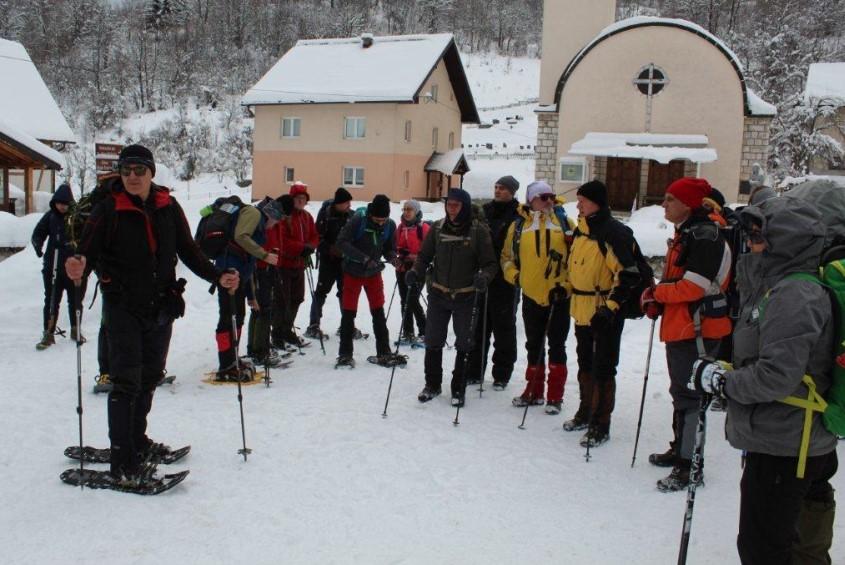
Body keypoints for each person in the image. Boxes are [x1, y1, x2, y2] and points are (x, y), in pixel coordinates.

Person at [65, 144, 239, 483]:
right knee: (126, 381)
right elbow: (85, 252)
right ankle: (123, 462)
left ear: (151, 173)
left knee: (150, 377)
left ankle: (137, 441)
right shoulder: (108, 209)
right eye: (126, 170)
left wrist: (217, 275)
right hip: (123, 308)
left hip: (161, 306)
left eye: (139, 170)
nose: (132, 176)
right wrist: (78, 267)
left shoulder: (168, 206)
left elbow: (188, 250)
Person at [691, 196, 838, 563]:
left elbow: (776, 376)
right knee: (792, 545)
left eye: (759, 236)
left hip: (786, 446)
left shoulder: (794, 294)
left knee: (764, 550)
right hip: (792, 438)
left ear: (785, 241)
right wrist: (728, 370)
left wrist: (724, 384)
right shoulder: (782, 288)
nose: (751, 244)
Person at [639, 177, 731, 492]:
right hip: (684, 325)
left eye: (669, 199)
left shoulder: (705, 236)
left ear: (688, 204)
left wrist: (656, 293)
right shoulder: (690, 232)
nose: (663, 204)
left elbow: (693, 287)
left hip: (698, 328)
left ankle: (689, 465)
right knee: (682, 392)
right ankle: (681, 450)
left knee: (691, 396)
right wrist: (660, 297)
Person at [563, 180, 643, 446]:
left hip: (604, 310)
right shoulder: (582, 230)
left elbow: (628, 275)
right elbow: (573, 265)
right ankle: (586, 411)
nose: (579, 204)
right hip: (582, 308)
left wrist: (610, 308)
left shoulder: (612, 232)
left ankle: (601, 423)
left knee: (604, 367)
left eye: (583, 200)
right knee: (585, 363)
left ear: (597, 202)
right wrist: (564, 287)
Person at [409, 188, 497, 406]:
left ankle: (458, 388)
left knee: (464, 343)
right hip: (438, 292)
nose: (452, 209)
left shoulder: (478, 231)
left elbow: (490, 263)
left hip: (466, 295)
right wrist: (416, 272)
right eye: (449, 204)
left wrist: (484, 277)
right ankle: (432, 384)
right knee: (433, 339)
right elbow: (424, 256)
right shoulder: (438, 228)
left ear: (465, 206)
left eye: (456, 205)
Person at [500, 181, 573, 415]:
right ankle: (533, 391)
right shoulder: (519, 226)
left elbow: (577, 258)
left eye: (551, 196)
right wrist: (516, 277)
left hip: (559, 296)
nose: (549, 200)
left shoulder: (565, 223)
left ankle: (555, 396)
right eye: (543, 197)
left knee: (557, 346)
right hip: (531, 294)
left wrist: (566, 286)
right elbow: (507, 257)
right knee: (533, 345)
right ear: (531, 199)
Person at [212, 195, 284, 377]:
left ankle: (232, 359)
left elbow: (248, 263)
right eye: (275, 222)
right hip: (228, 271)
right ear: (272, 216)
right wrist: (265, 255)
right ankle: (226, 364)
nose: (274, 226)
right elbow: (240, 236)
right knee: (228, 317)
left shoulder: (258, 225)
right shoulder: (254, 213)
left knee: (237, 316)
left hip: (237, 273)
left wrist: (251, 296)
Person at [465, 175, 521, 390]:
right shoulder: (485, 211)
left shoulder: (519, 214)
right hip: (482, 276)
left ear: (513, 191)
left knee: (504, 328)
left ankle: (501, 374)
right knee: (478, 327)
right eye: (496, 187)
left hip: (506, 279)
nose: (498, 191)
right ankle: (474, 370)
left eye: (503, 188)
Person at [335, 194, 402, 367]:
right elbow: (341, 242)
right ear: (371, 214)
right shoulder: (358, 221)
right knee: (349, 314)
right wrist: (364, 258)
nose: (381, 223)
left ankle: (384, 352)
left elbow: (389, 248)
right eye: (378, 220)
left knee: (378, 312)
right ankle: (345, 354)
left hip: (374, 274)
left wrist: (393, 257)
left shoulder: (390, 225)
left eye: (384, 219)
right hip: (353, 272)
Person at [32, 183, 86, 348]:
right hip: (52, 266)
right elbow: (38, 232)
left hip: (73, 267)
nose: (62, 207)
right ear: (55, 202)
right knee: (51, 300)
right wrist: (38, 246)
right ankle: (48, 332)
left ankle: (75, 329)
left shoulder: (77, 218)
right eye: (59, 203)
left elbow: (87, 236)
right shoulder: (50, 217)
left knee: (76, 300)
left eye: (65, 203)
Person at [272, 181, 318, 349]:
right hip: (283, 264)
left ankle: (287, 329)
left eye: (303, 198)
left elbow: (314, 236)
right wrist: (302, 248)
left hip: (299, 265)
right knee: (281, 300)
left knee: (297, 298)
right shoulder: (285, 217)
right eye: (298, 197)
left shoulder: (307, 217)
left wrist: (310, 247)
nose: (300, 201)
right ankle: (276, 333)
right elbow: (282, 240)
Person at [306, 187, 355, 340]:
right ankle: (314, 325)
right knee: (321, 292)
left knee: (345, 293)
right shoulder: (325, 215)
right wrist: (330, 249)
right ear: (338, 203)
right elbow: (316, 238)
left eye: (349, 202)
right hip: (328, 261)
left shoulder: (351, 216)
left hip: (345, 262)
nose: (349, 205)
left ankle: (347, 325)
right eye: (346, 202)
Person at [394, 199, 429, 344]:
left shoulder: (424, 228)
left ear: (416, 211)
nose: (406, 212)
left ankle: (425, 331)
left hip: (418, 268)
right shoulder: (401, 227)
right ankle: (408, 332)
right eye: (405, 209)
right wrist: (400, 253)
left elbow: (429, 250)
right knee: (404, 300)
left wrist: (413, 256)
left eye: (410, 209)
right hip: (402, 267)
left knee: (412, 298)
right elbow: (395, 245)